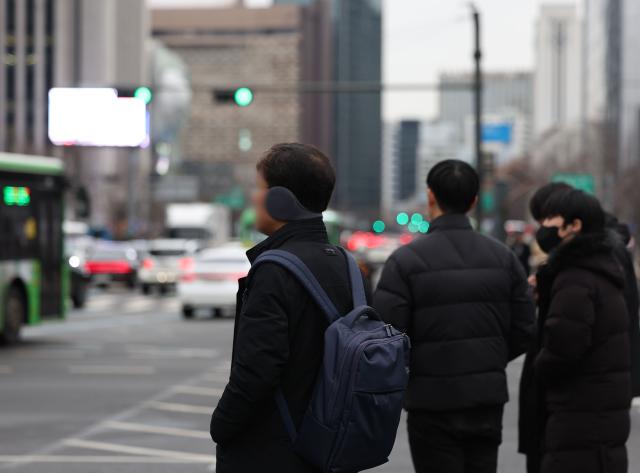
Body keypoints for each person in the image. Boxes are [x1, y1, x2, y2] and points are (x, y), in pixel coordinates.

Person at [373, 159, 536, 473]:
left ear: (430, 196)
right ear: (474, 201)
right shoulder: (504, 258)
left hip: (431, 402)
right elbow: (525, 329)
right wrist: (489, 357)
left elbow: (388, 335)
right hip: (486, 400)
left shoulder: (405, 262)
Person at [210, 143, 363, 473]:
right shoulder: (347, 266)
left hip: (273, 451)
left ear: (280, 200)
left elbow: (258, 369)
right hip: (330, 445)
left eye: (258, 187)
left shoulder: (274, 271)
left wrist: (221, 425)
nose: (254, 197)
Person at [520, 184, 640, 473]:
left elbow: (561, 350)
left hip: (578, 416)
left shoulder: (576, 279)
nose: (543, 227)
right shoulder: (600, 268)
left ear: (573, 226)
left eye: (550, 218)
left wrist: (540, 368)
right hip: (597, 416)